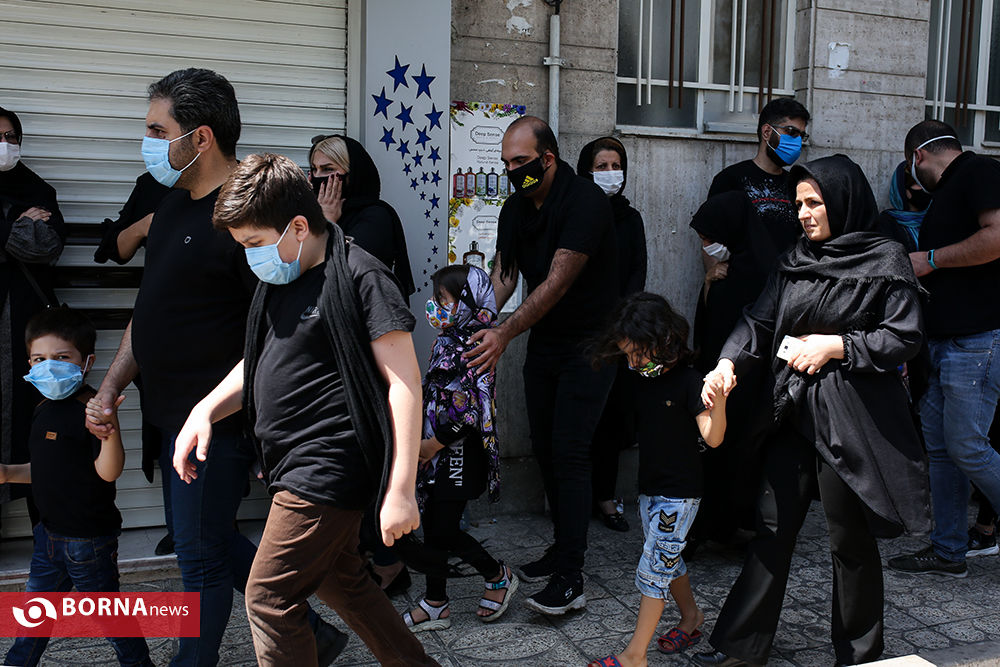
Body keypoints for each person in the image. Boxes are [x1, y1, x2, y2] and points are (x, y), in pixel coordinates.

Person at [85, 69, 344, 666]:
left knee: (199, 558)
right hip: (167, 415)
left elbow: (281, 330)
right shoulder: (171, 205)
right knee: (209, 539)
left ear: (199, 137)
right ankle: (315, 633)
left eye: (158, 130)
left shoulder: (250, 217)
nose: (147, 141)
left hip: (216, 424)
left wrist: (230, 413)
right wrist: (112, 384)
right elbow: (149, 309)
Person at [173, 152, 438, 666]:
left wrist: (401, 489)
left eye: (254, 243)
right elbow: (259, 360)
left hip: (330, 464)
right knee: (342, 581)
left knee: (268, 598)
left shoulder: (362, 276)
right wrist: (204, 410)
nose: (250, 256)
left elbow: (404, 382)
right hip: (289, 461)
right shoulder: (283, 278)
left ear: (297, 226)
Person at [694, 154, 931, 667]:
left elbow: (904, 336)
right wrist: (727, 363)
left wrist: (835, 346)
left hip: (853, 418)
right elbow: (758, 322)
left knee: (850, 541)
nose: (803, 214)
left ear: (842, 202)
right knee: (771, 528)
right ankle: (740, 646)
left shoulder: (885, 258)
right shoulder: (795, 259)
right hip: (793, 411)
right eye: (798, 204)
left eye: (814, 203)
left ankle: (860, 654)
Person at [464, 115, 619, 615]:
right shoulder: (515, 207)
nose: (512, 171)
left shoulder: (585, 202)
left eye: (521, 162)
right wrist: (476, 322)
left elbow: (556, 282)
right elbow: (506, 274)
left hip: (592, 344)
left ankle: (571, 577)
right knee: (545, 448)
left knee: (570, 452)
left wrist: (504, 333)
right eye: (506, 162)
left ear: (548, 158)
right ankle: (561, 547)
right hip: (546, 343)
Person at [689, 98, 809, 548]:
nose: (796, 140)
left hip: (784, 314)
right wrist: (713, 268)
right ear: (766, 131)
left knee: (765, 417)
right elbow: (709, 231)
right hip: (734, 313)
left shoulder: (799, 183)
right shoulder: (733, 178)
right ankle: (705, 523)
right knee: (721, 407)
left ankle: (745, 520)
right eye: (790, 131)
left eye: (801, 134)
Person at [2, 307, 152, 667]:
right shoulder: (42, 408)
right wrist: (7, 473)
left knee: (109, 617)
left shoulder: (92, 410)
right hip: (48, 536)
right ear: (28, 362)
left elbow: (108, 472)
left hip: (88, 541)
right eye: (39, 359)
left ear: (86, 362)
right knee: (35, 613)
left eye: (62, 357)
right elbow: (49, 471)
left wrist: (110, 429)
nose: (49, 367)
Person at [586, 293, 726, 667]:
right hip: (650, 491)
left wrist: (720, 402)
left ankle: (635, 656)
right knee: (668, 559)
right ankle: (692, 618)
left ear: (663, 339)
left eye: (638, 354)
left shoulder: (690, 382)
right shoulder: (641, 380)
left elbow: (713, 438)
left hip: (679, 496)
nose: (633, 363)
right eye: (627, 355)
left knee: (654, 570)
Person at [888, 121, 1000, 578]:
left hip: (975, 340)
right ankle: (948, 551)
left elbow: (997, 236)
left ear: (918, 156)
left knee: (968, 447)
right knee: (941, 450)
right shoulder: (949, 191)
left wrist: (930, 259)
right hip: (940, 342)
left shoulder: (979, 172)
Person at [401, 264, 517, 631]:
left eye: (443, 300)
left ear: (468, 302)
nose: (435, 307)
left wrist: (432, 445)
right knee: (435, 526)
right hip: (436, 451)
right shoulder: (447, 341)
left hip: (457, 453)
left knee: (445, 530)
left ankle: (497, 575)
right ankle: (435, 602)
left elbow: (470, 414)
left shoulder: (475, 346)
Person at [93, 171, 174, 556]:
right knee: (168, 430)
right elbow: (117, 248)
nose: (156, 144)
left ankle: (213, 525)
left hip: (215, 332)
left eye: (163, 139)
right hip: (160, 327)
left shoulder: (233, 184)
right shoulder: (152, 185)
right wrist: (147, 224)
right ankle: (180, 524)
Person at [576, 136, 647, 532]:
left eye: (615, 166)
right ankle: (571, 499)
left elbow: (638, 270)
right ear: (586, 171)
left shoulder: (629, 219)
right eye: (601, 166)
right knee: (575, 419)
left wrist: (624, 323)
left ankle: (605, 497)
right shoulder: (576, 214)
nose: (609, 173)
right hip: (579, 329)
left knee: (611, 420)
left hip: (617, 334)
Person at [0, 106, 64, 528]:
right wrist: (14, 225)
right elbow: (23, 240)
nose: (4, 144)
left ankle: (49, 530)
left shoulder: (38, 190)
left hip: (27, 329)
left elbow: (45, 246)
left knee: (36, 423)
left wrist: (8, 232)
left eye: (11, 137)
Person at [309, 133, 415, 303]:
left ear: (353, 173)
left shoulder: (376, 217)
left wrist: (327, 223)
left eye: (328, 169)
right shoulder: (312, 213)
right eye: (314, 169)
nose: (317, 176)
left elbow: (346, 272)